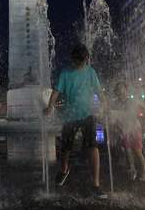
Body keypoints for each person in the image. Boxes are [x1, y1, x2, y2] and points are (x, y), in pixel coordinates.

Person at [43, 45, 108, 200]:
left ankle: (96, 184)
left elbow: (99, 91)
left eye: (82, 62)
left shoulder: (90, 72)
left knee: (92, 147)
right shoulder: (65, 72)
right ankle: (64, 169)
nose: (79, 66)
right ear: (71, 58)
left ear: (86, 60)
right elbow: (56, 91)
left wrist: (105, 107)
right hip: (70, 116)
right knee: (65, 147)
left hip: (88, 115)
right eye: (77, 62)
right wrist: (50, 106)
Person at [112, 82, 145, 181]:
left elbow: (144, 107)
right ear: (116, 92)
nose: (121, 92)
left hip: (134, 128)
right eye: (118, 90)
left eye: (122, 89)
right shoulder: (115, 104)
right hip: (124, 130)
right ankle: (133, 172)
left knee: (137, 152)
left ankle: (144, 173)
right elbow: (113, 118)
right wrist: (119, 127)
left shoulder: (132, 101)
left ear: (126, 91)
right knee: (128, 152)